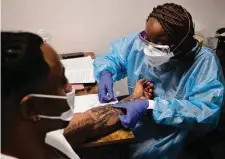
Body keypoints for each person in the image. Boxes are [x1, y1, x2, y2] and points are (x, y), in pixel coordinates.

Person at [93, 3, 225, 159]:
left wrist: (151, 105)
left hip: (173, 132)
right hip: (137, 119)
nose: (148, 47)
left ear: (180, 43)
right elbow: (115, 57)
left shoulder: (204, 63)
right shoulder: (140, 41)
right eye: (146, 38)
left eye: (159, 44)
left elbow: (206, 112)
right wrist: (106, 72)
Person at [1, 32, 152, 159]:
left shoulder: (33, 135)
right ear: (30, 109)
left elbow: (90, 121)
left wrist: (133, 99)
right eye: (61, 82)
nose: (69, 87)